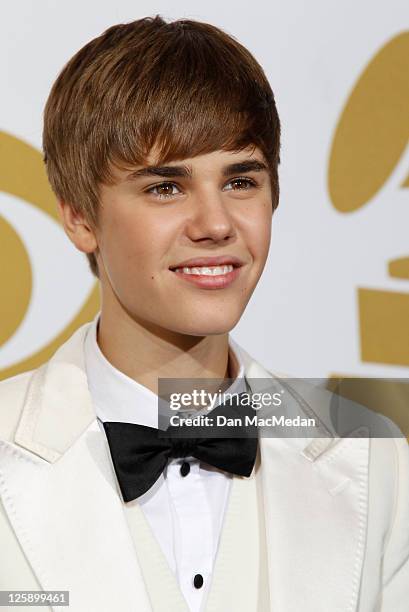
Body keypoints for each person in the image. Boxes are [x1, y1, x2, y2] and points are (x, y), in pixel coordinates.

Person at [0, 15, 408, 612]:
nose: (216, 224)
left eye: (241, 180)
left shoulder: (378, 457)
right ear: (79, 218)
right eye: (166, 187)